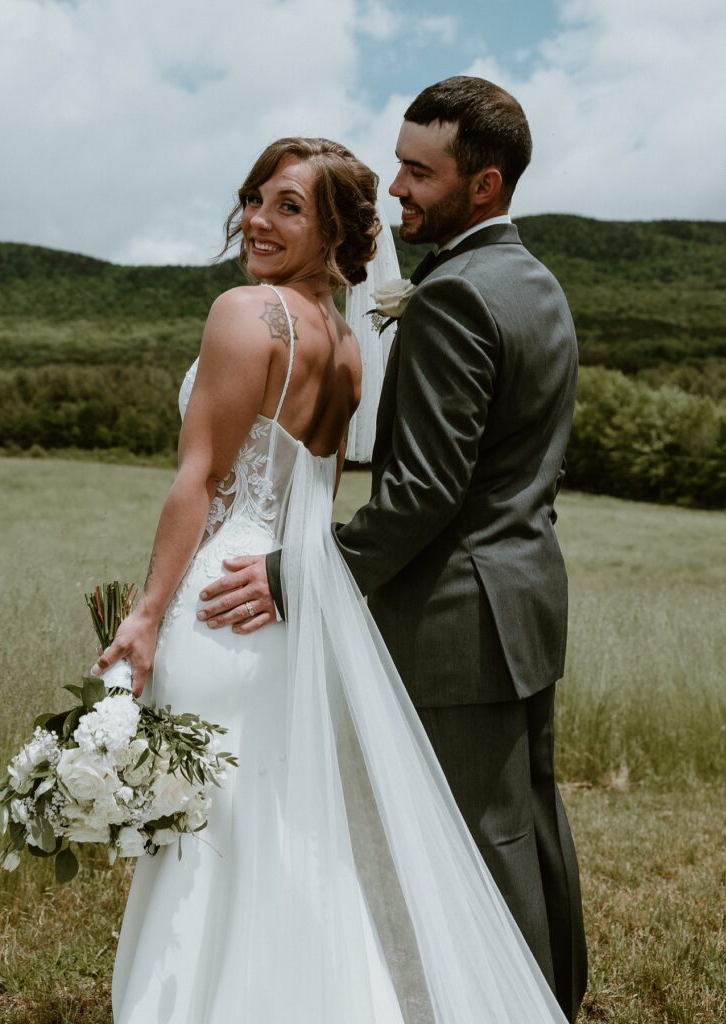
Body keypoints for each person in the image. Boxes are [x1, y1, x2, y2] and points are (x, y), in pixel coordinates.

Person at [94, 135, 568, 1023]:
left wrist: (147, 616)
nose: (259, 221)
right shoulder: (348, 346)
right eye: (256, 197)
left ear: (334, 230)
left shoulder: (245, 313)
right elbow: (316, 493)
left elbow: (197, 480)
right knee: (282, 832)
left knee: (202, 838)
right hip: (295, 609)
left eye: (289, 207)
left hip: (219, 600)